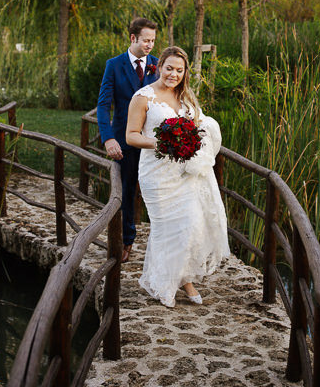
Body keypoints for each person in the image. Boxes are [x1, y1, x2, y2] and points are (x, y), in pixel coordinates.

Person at [125, 46, 230, 307]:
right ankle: (171, 283)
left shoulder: (186, 98)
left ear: (185, 73)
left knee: (188, 227)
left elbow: (199, 126)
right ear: (159, 66)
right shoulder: (143, 97)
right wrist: (160, 143)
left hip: (184, 173)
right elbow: (131, 135)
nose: (173, 74)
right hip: (156, 175)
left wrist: (194, 141)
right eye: (169, 68)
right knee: (165, 229)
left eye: (179, 70)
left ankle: (182, 280)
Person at [97, 18, 159, 263]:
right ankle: (126, 241)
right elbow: (103, 105)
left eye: (153, 40)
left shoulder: (157, 65)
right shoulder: (113, 65)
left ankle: (162, 244)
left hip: (153, 141)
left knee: (157, 191)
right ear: (133, 38)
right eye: (146, 40)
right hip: (124, 140)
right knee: (125, 191)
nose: (150, 45)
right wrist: (108, 138)